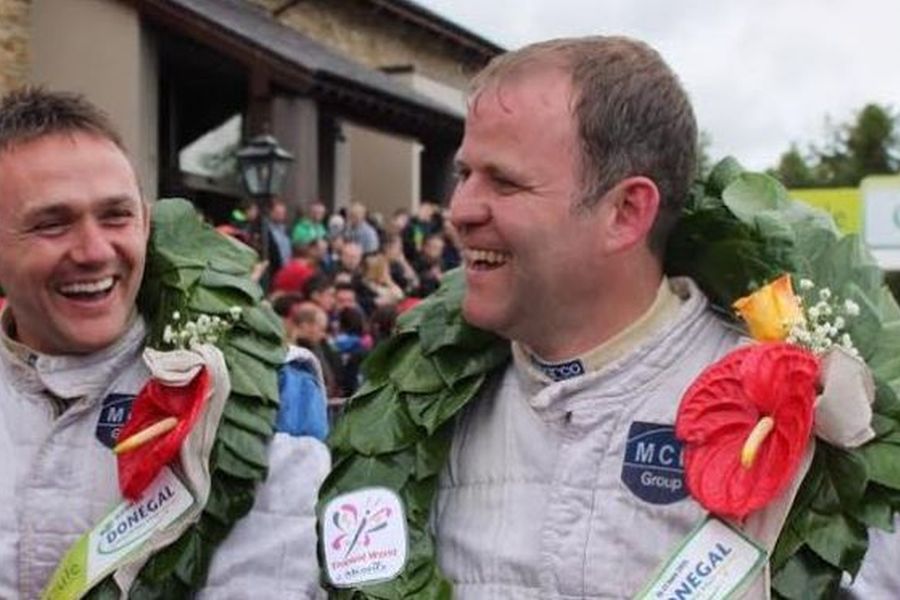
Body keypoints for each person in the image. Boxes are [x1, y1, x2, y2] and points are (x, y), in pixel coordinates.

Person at [318, 36, 898, 598]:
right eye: (464, 174)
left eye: (505, 181)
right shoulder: (419, 402)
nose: (460, 210)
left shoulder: (814, 408)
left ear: (626, 211)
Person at [0, 88, 328, 598]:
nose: (93, 250)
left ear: (147, 223)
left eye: (116, 216)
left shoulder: (266, 388)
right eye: (52, 224)